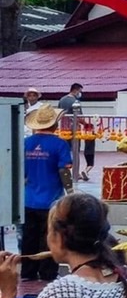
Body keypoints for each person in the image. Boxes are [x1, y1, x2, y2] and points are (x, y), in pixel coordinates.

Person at [22, 104, 72, 282]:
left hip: (28, 199)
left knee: (29, 237)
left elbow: (21, 172)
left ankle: (27, 272)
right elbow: (64, 170)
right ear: (55, 124)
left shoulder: (26, 143)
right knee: (50, 237)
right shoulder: (60, 144)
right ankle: (47, 273)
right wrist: (70, 191)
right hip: (51, 201)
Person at [59, 83, 91, 182]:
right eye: (80, 91)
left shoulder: (62, 100)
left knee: (64, 151)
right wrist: (86, 124)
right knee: (75, 151)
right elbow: (79, 118)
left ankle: (64, 172)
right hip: (74, 130)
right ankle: (75, 173)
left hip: (63, 129)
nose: (80, 94)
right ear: (75, 90)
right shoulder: (75, 102)